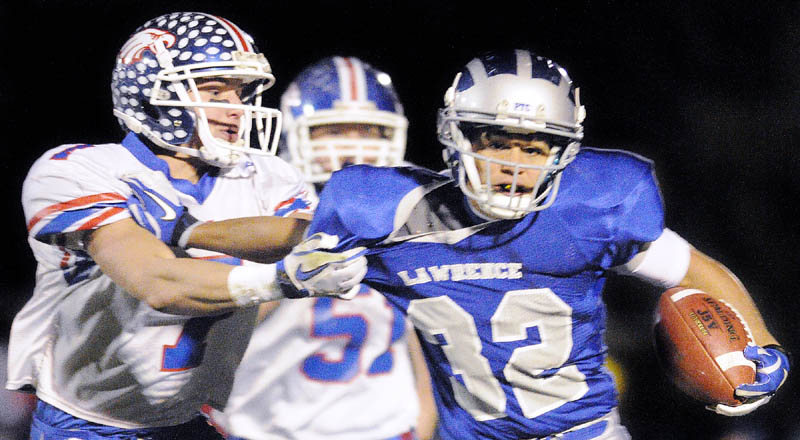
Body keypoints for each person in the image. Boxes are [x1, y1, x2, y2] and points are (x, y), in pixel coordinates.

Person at [277, 49, 791, 439]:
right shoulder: (397, 214)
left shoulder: (591, 205)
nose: (516, 163)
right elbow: (286, 234)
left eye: (535, 146)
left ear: (565, 152)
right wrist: (220, 241)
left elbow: (693, 270)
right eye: (498, 142)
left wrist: (760, 347)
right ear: (457, 138)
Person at [7, 12, 363, 439]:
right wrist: (281, 280)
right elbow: (160, 283)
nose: (238, 109)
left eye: (241, 93)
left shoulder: (269, 175)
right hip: (85, 424)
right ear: (151, 96)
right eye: (216, 92)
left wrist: (185, 230)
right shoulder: (77, 170)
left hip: (183, 421)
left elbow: (299, 232)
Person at [213, 56, 437, 440]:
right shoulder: (256, 209)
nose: (352, 149)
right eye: (332, 130)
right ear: (296, 136)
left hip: (384, 429)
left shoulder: (414, 215)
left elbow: (429, 345)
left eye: (368, 131)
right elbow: (213, 327)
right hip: (263, 428)